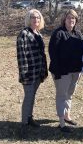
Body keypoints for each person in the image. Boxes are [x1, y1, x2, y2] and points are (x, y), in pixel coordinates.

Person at [48, 9, 83, 133]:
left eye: (73, 18)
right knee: (62, 95)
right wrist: (57, 72)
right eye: (69, 18)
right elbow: (53, 53)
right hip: (62, 71)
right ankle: (62, 123)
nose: (71, 20)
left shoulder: (78, 34)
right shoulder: (58, 33)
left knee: (69, 94)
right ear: (64, 20)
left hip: (76, 71)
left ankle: (67, 116)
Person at [16, 9, 48, 138]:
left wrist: (43, 71)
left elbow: (42, 54)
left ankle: (29, 117)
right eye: (33, 17)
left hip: (38, 72)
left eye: (38, 18)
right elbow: (21, 56)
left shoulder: (38, 33)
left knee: (32, 96)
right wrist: (24, 74)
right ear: (29, 19)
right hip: (28, 73)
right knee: (28, 97)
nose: (36, 20)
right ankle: (23, 125)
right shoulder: (23, 34)